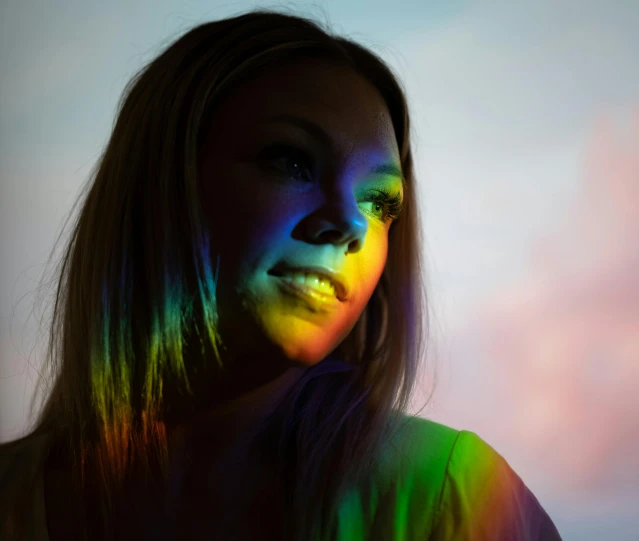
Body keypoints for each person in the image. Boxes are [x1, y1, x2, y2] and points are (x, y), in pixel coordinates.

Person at [0, 8, 563, 541]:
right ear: (161, 183)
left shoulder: (448, 495)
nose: (349, 224)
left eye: (380, 202)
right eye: (292, 161)